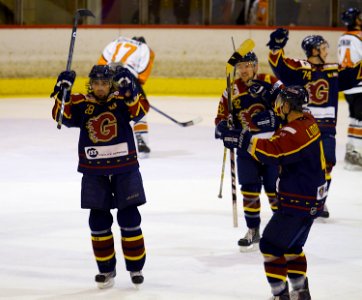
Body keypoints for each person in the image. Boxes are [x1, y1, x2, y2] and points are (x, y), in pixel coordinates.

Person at [218, 85, 328, 300]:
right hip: (310, 198)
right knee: (292, 246)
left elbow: (272, 151)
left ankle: (280, 295)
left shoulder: (294, 132)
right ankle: (300, 292)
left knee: (269, 244)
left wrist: (242, 139)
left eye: (281, 103)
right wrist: (269, 93)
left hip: (299, 201)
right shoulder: (308, 121)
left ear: (288, 105)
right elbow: (283, 137)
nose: (278, 106)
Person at [51, 65, 149, 289]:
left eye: (105, 83)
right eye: (96, 83)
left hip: (125, 167)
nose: (100, 87)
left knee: (130, 218)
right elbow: (61, 118)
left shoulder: (122, 99)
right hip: (94, 170)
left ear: (111, 84)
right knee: (98, 222)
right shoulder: (81, 103)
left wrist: (131, 88)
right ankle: (106, 270)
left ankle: (136, 267)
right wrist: (61, 93)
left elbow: (140, 112)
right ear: (91, 84)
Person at [266, 28, 362, 218]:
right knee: (296, 164)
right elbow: (279, 65)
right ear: (315, 50)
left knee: (326, 165)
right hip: (302, 127)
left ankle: (320, 202)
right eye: (324, 47)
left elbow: (355, 72)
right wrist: (276, 47)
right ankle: (294, 198)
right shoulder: (299, 69)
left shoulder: (334, 71)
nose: (327, 50)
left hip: (326, 129)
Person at [215, 51, 282, 250]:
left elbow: (291, 106)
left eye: (247, 65)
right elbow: (220, 118)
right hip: (246, 147)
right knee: (249, 188)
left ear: (255, 66)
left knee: (274, 188)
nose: (243, 70)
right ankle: (253, 229)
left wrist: (273, 115)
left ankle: (281, 229)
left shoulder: (271, 81)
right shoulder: (231, 90)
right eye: (240, 66)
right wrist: (224, 129)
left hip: (273, 146)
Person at [98, 35, 155, 158]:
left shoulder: (117, 41)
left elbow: (102, 62)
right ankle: (141, 141)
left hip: (107, 75)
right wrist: (133, 88)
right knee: (139, 108)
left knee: (108, 108)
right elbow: (142, 75)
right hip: (128, 76)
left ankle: (104, 141)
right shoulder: (145, 48)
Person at [338, 7, 362, 168]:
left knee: (355, 119)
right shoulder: (360, 36)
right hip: (360, 84)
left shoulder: (342, 38)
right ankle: (357, 154)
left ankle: (351, 152)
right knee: (360, 120)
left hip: (347, 86)